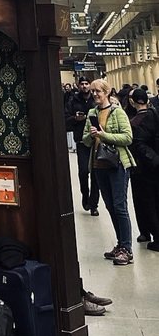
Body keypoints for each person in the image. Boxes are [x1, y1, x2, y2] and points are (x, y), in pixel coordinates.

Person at [83, 78, 135, 266]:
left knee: (120, 206)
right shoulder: (91, 113)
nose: (95, 94)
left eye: (99, 91)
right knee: (110, 206)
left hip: (117, 164)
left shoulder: (117, 112)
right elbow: (85, 141)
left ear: (107, 92)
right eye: (93, 91)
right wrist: (91, 134)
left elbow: (128, 137)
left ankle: (127, 249)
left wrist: (104, 135)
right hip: (99, 165)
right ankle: (120, 244)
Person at [130, 89, 159, 250]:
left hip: (143, 168)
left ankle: (152, 234)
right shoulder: (155, 114)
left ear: (133, 102)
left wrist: (153, 160)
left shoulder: (135, 122)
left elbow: (139, 145)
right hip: (154, 165)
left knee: (146, 202)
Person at [66, 78, 99, 216]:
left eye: (87, 84)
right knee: (83, 171)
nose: (85, 86)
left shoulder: (96, 100)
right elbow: (65, 118)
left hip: (97, 141)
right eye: (82, 84)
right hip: (81, 141)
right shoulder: (73, 100)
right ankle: (85, 195)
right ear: (79, 86)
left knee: (96, 173)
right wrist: (75, 119)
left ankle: (93, 204)